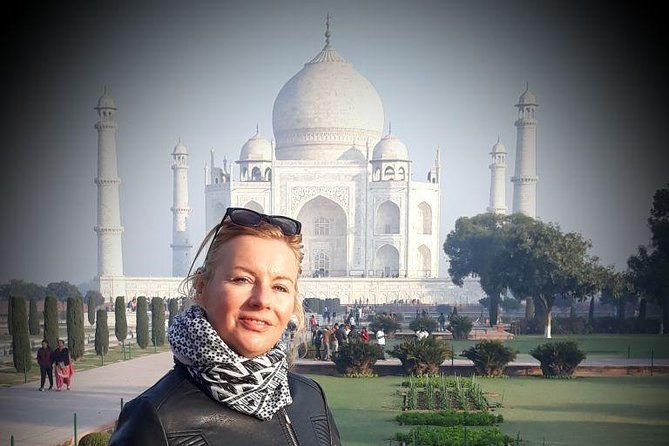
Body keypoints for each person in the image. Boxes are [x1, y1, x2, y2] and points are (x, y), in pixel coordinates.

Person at [110, 207, 341, 445]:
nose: (262, 299)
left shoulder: (311, 398)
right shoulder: (156, 419)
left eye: (280, 287)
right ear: (202, 286)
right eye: (242, 279)